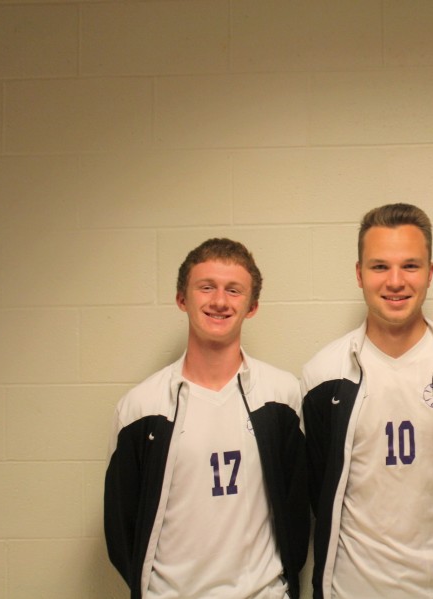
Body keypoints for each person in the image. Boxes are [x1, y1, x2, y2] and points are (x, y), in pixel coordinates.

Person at [301, 203, 433, 599]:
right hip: (349, 591)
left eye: (410, 266)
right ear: (358, 274)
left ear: (430, 273)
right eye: (379, 267)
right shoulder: (323, 377)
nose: (395, 281)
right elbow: (320, 490)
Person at [104, 238, 309, 599]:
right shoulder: (141, 408)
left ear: (252, 306)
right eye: (206, 287)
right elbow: (122, 527)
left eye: (233, 290)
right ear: (182, 299)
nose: (219, 301)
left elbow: (296, 509)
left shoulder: (281, 396)